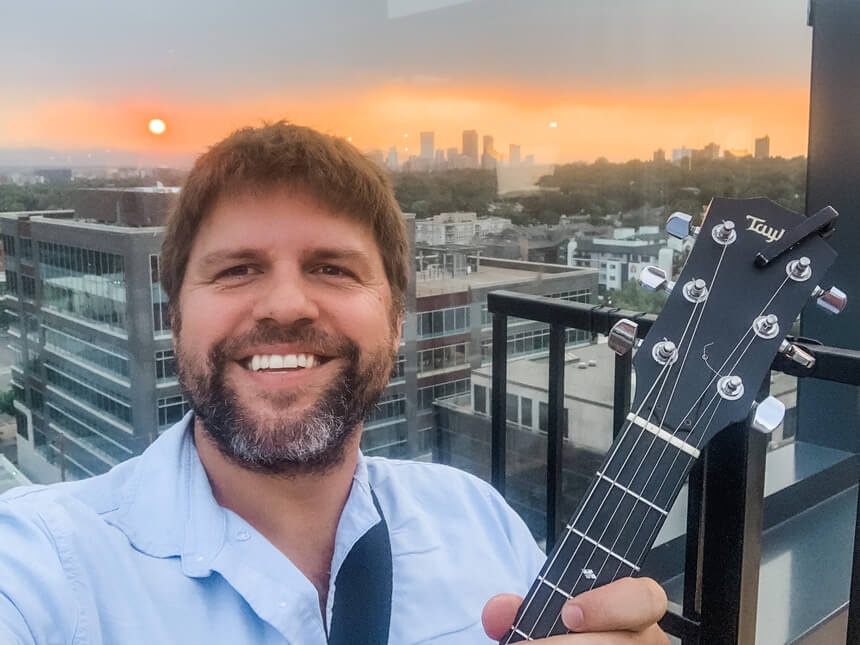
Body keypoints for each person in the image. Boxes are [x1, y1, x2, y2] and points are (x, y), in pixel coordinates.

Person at [0, 123, 668, 644]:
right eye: (236, 269)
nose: (286, 305)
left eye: (333, 269)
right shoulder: (41, 567)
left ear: (396, 321)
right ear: (175, 319)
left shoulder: (479, 519)